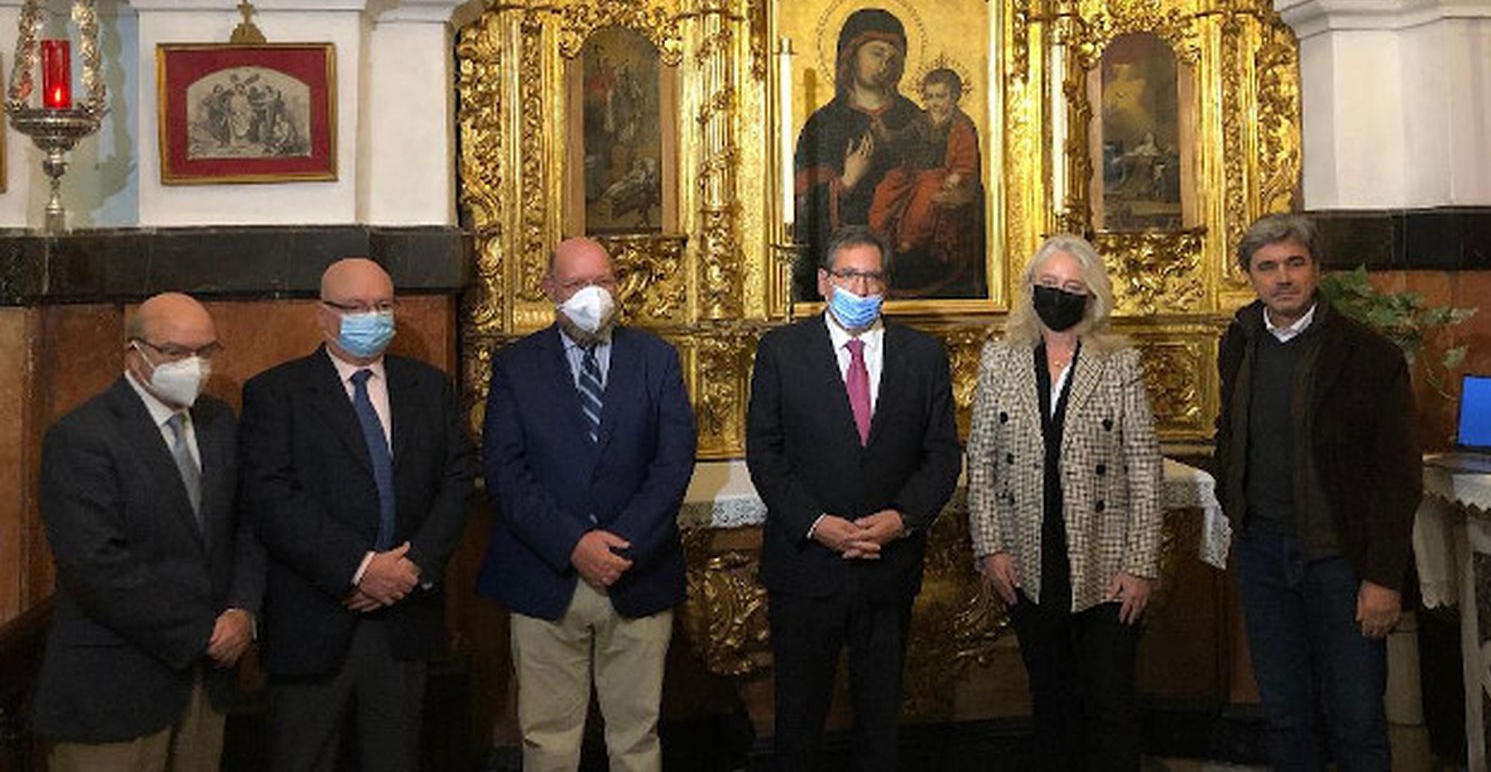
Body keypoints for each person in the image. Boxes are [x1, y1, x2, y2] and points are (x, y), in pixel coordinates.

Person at [238, 258, 473, 772]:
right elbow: (272, 500)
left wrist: (412, 567)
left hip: (403, 618)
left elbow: (456, 482)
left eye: (384, 306)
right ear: (322, 316)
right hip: (314, 615)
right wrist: (361, 567)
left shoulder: (428, 387)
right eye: (357, 307)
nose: (373, 316)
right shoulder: (276, 394)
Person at [477, 237, 697, 772]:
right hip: (546, 574)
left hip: (636, 572)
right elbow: (505, 474)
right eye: (576, 285)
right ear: (550, 290)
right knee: (548, 740)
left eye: (603, 281)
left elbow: (672, 465)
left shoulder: (656, 359)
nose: (592, 295)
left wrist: (619, 545)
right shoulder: (516, 366)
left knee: (637, 738)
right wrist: (573, 544)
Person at [745, 224, 961, 771]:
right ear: (824, 281)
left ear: (887, 283)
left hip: (888, 566)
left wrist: (902, 519)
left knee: (882, 719)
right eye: (849, 276)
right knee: (798, 719)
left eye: (873, 277)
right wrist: (817, 523)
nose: (861, 290)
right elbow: (765, 454)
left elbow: (941, 456)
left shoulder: (923, 356)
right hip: (806, 567)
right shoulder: (782, 352)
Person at [1214, 213, 1422, 770]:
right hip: (1263, 555)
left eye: (1294, 263)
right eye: (1268, 267)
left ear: (1316, 269)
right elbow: (1229, 433)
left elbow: (1398, 477)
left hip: (1342, 564)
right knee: (1285, 713)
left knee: (1356, 717)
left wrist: (1383, 578)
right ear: (1251, 277)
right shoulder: (1238, 343)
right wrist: (1238, 512)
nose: (1282, 277)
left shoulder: (1369, 356)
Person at [34, 293, 263, 772]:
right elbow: (94, 564)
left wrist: (244, 610)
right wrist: (201, 631)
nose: (193, 366)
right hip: (114, 685)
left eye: (205, 352)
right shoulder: (83, 436)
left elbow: (244, 525)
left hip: (207, 683)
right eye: (175, 353)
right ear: (133, 353)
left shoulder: (219, 422)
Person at [966, 235, 1163, 771]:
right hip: (1028, 558)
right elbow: (980, 460)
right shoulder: (1001, 358)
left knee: (1110, 701)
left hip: (1105, 563)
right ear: (1031, 289)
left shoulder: (1119, 363)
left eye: (1072, 287)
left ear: (1092, 296)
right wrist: (991, 547)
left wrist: (1140, 565)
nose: (1058, 295)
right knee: (1050, 700)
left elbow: (1145, 467)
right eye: (1048, 285)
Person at [791, 9, 924, 300]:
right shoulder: (825, 123)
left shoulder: (915, 118)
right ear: (852, 56)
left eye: (894, 57)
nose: (886, 63)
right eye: (877, 53)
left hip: (909, 260)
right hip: (847, 273)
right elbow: (800, 208)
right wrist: (846, 182)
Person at [867, 67, 983, 297]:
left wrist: (957, 175)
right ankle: (879, 238)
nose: (934, 103)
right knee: (886, 188)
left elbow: (967, 157)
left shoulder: (961, 125)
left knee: (925, 197)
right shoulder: (921, 120)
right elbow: (901, 140)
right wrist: (884, 134)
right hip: (912, 173)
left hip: (940, 176)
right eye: (929, 97)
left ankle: (910, 241)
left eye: (941, 96)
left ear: (955, 96)